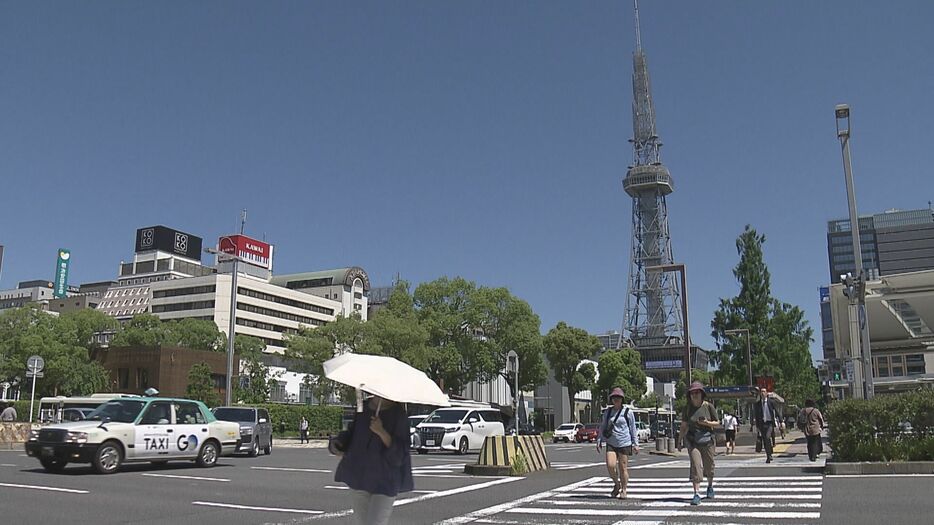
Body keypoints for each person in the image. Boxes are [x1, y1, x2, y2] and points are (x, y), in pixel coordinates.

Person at [334, 395, 413, 525]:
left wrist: (381, 432)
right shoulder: (363, 408)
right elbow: (352, 434)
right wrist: (338, 444)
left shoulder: (399, 415)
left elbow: (400, 454)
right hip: (359, 477)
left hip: (385, 481)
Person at [677, 382, 718, 506]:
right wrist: (679, 441)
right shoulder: (687, 408)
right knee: (695, 465)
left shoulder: (708, 406)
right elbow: (683, 426)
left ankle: (710, 486)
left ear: (702, 394)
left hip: (707, 440)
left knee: (709, 466)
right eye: (692, 393)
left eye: (697, 392)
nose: (695, 395)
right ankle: (696, 494)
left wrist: (707, 423)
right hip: (693, 440)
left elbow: (717, 422)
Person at [596, 387, 638, 499]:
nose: (616, 399)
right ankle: (616, 482)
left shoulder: (628, 412)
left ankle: (624, 489)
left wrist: (635, 443)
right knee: (610, 465)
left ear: (622, 399)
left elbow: (633, 428)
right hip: (611, 442)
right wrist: (599, 439)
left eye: (618, 397)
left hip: (625, 442)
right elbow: (603, 426)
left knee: (623, 468)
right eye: (614, 397)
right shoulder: (608, 412)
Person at [751, 387, 780, 463]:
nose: (762, 393)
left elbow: (777, 411)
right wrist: (756, 426)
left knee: (767, 437)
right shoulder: (758, 404)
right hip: (762, 424)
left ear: (767, 393)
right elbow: (756, 416)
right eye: (761, 392)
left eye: (764, 391)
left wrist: (781, 421)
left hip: (770, 423)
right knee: (765, 440)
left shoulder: (771, 402)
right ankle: (768, 455)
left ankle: (770, 453)